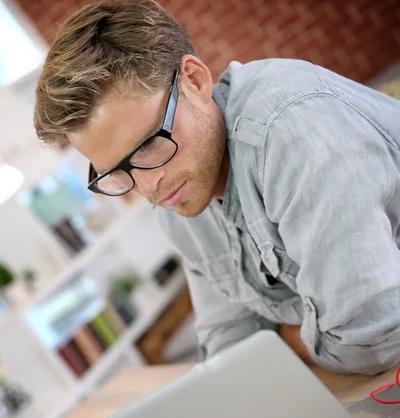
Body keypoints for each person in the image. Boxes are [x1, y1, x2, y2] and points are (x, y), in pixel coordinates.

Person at [34, 0, 400, 375]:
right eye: (116, 171)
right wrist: (292, 341)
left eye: (147, 144)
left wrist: (278, 342)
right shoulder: (180, 192)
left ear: (194, 80)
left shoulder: (292, 132)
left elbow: (371, 340)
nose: (147, 187)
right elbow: (226, 342)